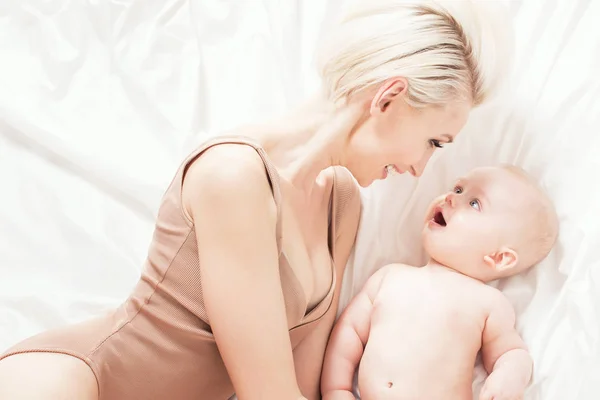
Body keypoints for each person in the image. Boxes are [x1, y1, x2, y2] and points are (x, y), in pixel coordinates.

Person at [0, 1, 512, 399]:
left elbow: (300, 389)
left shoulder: (343, 208)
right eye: (433, 142)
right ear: (388, 98)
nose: (421, 169)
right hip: (77, 383)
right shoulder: (234, 177)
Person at [321, 165, 559, 400]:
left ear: (499, 257)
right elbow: (348, 331)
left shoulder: (488, 302)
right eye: (457, 189)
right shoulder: (389, 277)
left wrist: (510, 376)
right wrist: (336, 389)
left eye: (474, 203)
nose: (450, 198)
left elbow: (510, 351)